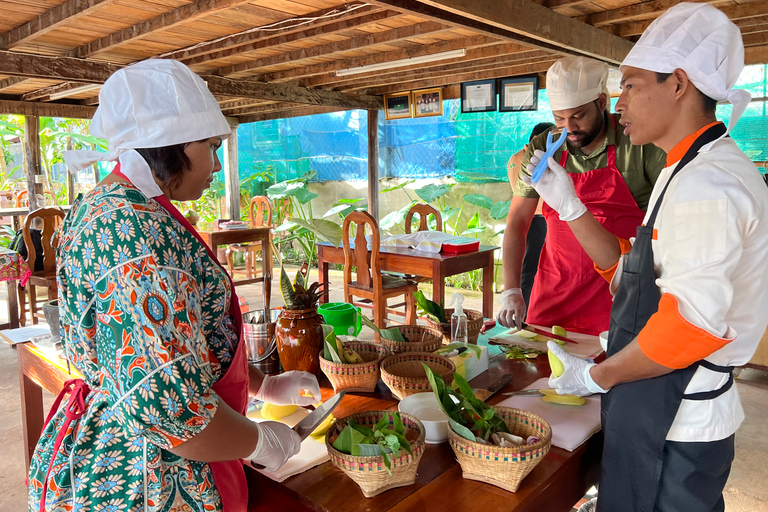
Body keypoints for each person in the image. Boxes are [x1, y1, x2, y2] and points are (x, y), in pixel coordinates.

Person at [27, 59, 322, 512]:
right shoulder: (134, 233)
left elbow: (180, 343)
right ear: (168, 146)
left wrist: (264, 384)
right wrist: (259, 441)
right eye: (209, 145)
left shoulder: (112, 205)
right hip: (150, 477)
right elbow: (172, 413)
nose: (218, 164)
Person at [527, 4, 768, 511]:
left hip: (677, 416)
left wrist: (596, 376)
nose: (620, 106)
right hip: (654, 397)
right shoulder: (682, 169)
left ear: (678, 83)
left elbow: (690, 326)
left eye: (631, 86)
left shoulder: (708, 185)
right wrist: (568, 206)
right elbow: (627, 274)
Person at [498, 56, 667, 335]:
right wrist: (512, 289)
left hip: (617, 291)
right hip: (555, 289)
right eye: (559, 118)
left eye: (578, 116)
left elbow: (663, 226)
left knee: (609, 370)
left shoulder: (637, 143)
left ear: (601, 102)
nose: (569, 128)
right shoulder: (544, 147)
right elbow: (517, 221)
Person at [506, 122, 554, 307]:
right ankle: (525, 308)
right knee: (531, 267)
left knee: (537, 266)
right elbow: (529, 193)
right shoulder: (523, 158)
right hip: (536, 218)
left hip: (540, 217)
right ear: (535, 139)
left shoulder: (523, 157)